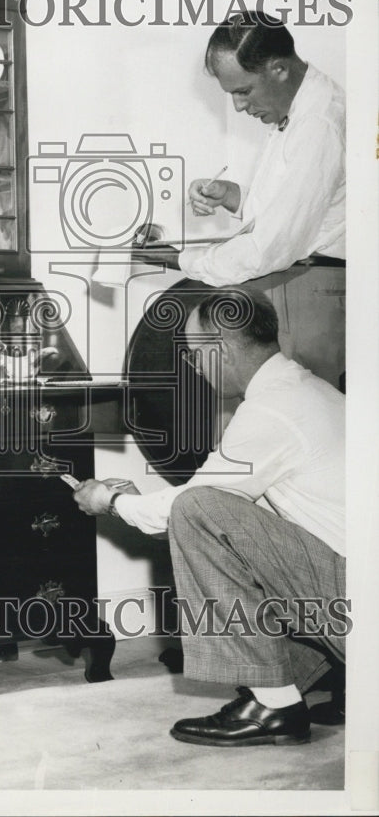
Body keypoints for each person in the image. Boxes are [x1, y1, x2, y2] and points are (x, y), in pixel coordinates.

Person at [73, 287, 346, 746]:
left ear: (221, 348)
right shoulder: (312, 390)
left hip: (355, 599)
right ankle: (332, 681)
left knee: (196, 508)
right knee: (205, 508)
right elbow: (240, 513)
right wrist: (146, 504)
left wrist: (111, 501)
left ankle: (275, 707)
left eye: (195, 352)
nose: (195, 365)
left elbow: (193, 508)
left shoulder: (271, 410)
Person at [134, 12, 345, 287]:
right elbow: (293, 211)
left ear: (279, 69)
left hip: (324, 283)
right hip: (308, 276)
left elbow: (266, 249)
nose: (238, 106)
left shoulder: (317, 123)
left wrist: (175, 259)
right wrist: (229, 194)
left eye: (244, 91)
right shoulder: (304, 105)